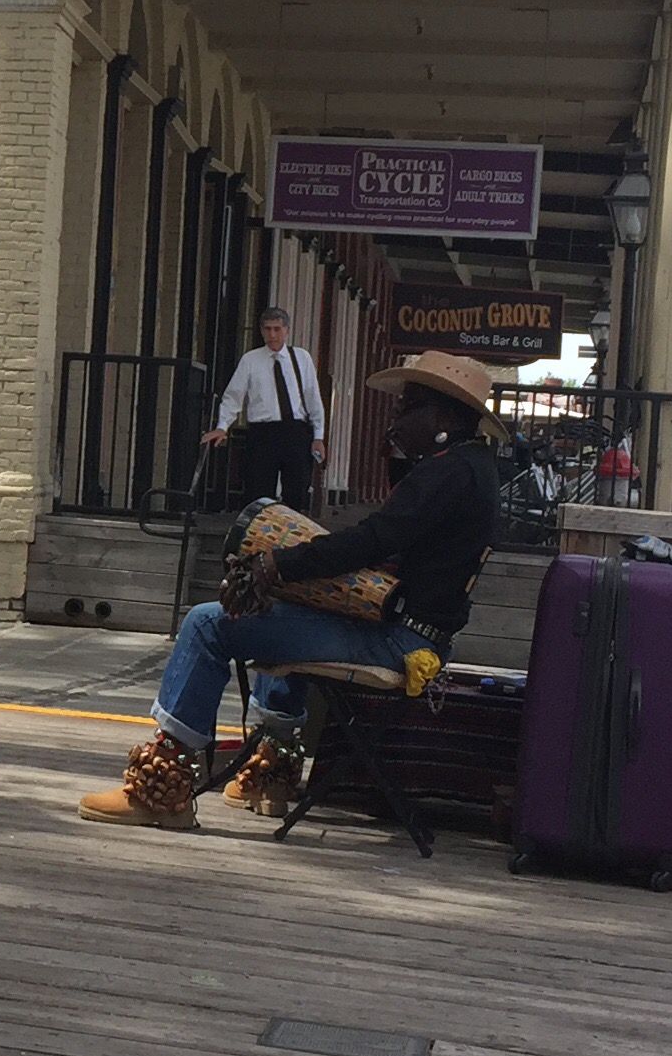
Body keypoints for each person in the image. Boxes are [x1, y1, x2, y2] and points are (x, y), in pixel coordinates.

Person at [80, 350, 502, 831]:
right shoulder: (473, 467)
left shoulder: (447, 473)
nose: (396, 419)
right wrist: (289, 574)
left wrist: (277, 562)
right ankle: (270, 773)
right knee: (291, 599)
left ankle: (161, 788)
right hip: (414, 633)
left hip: (397, 640)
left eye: (408, 407)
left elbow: (372, 540)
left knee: (206, 623)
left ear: (444, 417)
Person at [204, 307, 325, 513]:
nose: (272, 335)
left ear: (286, 330)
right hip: (263, 433)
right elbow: (233, 396)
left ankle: (291, 530)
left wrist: (318, 436)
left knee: (297, 489)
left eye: (277, 329)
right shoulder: (251, 360)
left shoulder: (301, 358)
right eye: (267, 329)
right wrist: (222, 426)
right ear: (261, 331)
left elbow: (313, 398)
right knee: (258, 492)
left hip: (295, 431)